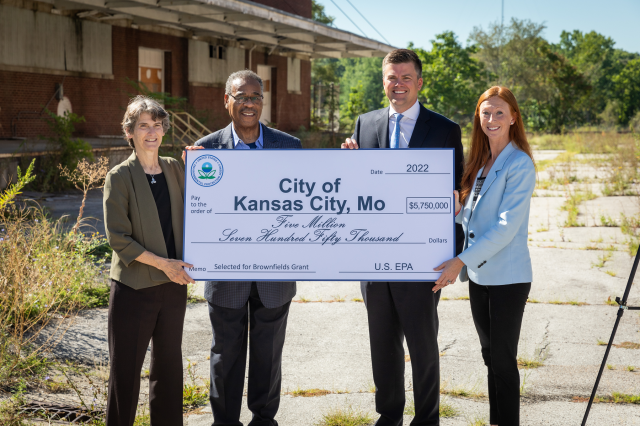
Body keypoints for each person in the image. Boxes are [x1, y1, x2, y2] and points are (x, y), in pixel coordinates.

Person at [342, 49, 464, 426]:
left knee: (423, 345)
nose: (398, 85)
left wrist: (454, 251)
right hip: (374, 256)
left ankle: (427, 418)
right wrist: (348, 164)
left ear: (419, 82)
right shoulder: (365, 123)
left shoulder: (444, 129)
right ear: (383, 82)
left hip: (421, 257)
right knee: (382, 342)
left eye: (405, 78)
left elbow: (455, 193)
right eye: (391, 78)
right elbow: (358, 188)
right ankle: (389, 414)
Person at [184, 69, 301, 426]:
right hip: (225, 274)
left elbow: (305, 205)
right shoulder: (203, 151)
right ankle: (225, 422)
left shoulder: (290, 147)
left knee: (268, 356)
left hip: (275, 275)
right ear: (226, 100)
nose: (249, 103)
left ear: (262, 101)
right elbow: (194, 213)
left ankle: (264, 419)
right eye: (241, 96)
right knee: (226, 355)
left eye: (255, 96)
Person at [434, 86, 536, 426]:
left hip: (508, 277)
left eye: (499, 113)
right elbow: (473, 219)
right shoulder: (479, 163)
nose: (491, 119)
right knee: (490, 355)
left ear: (513, 118)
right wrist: (455, 210)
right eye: (485, 113)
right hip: (479, 278)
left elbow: (505, 228)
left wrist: (459, 260)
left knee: (504, 360)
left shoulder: (519, 164)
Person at [103, 95, 195, 426]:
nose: (152, 132)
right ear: (130, 132)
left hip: (173, 288)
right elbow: (118, 238)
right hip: (133, 289)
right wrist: (164, 264)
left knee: (169, 372)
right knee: (125, 375)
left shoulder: (175, 168)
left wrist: (202, 161)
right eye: (144, 125)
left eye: (157, 125)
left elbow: (205, 205)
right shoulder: (119, 176)